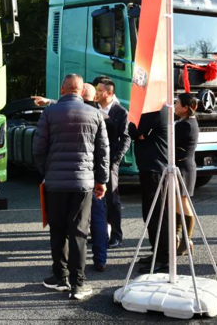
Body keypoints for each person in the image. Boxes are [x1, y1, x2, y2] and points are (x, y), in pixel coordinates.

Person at [33, 74, 109, 300]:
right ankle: (78, 284)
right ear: (81, 91)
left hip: (55, 183)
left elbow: (38, 147)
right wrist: (101, 180)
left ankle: (60, 276)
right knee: (78, 232)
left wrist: (46, 171)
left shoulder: (49, 113)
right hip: (83, 183)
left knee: (57, 230)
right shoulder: (95, 114)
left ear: (62, 89)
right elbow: (103, 151)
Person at [129, 105, 169, 273]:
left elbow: (133, 131)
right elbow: (138, 133)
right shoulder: (159, 109)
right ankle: (157, 252)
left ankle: (163, 258)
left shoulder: (155, 110)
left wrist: (137, 131)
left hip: (154, 167)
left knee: (156, 214)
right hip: (152, 167)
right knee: (151, 213)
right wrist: (139, 134)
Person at [94, 77, 130, 249]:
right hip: (93, 160)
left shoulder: (120, 112)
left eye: (99, 90)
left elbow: (125, 138)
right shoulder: (93, 108)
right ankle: (100, 232)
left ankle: (116, 235)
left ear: (109, 93)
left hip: (110, 162)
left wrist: (115, 160)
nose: (96, 93)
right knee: (94, 197)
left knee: (112, 198)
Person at [81, 83, 110, 273]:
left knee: (74, 221)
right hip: (93, 176)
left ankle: (73, 262)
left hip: (70, 178)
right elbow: (104, 151)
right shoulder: (101, 116)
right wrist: (103, 180)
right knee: (98, 219)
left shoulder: (61, 113)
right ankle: (100, 260)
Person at [173, 93, 200, 256]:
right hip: (183, 166)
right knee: (178, 202)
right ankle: (177, 238)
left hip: (183, 168)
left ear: (185, 108)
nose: (174, 106)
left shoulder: (186, 125)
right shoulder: (187, 122)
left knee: (183, 203)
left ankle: (186, 240)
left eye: (177, 103)